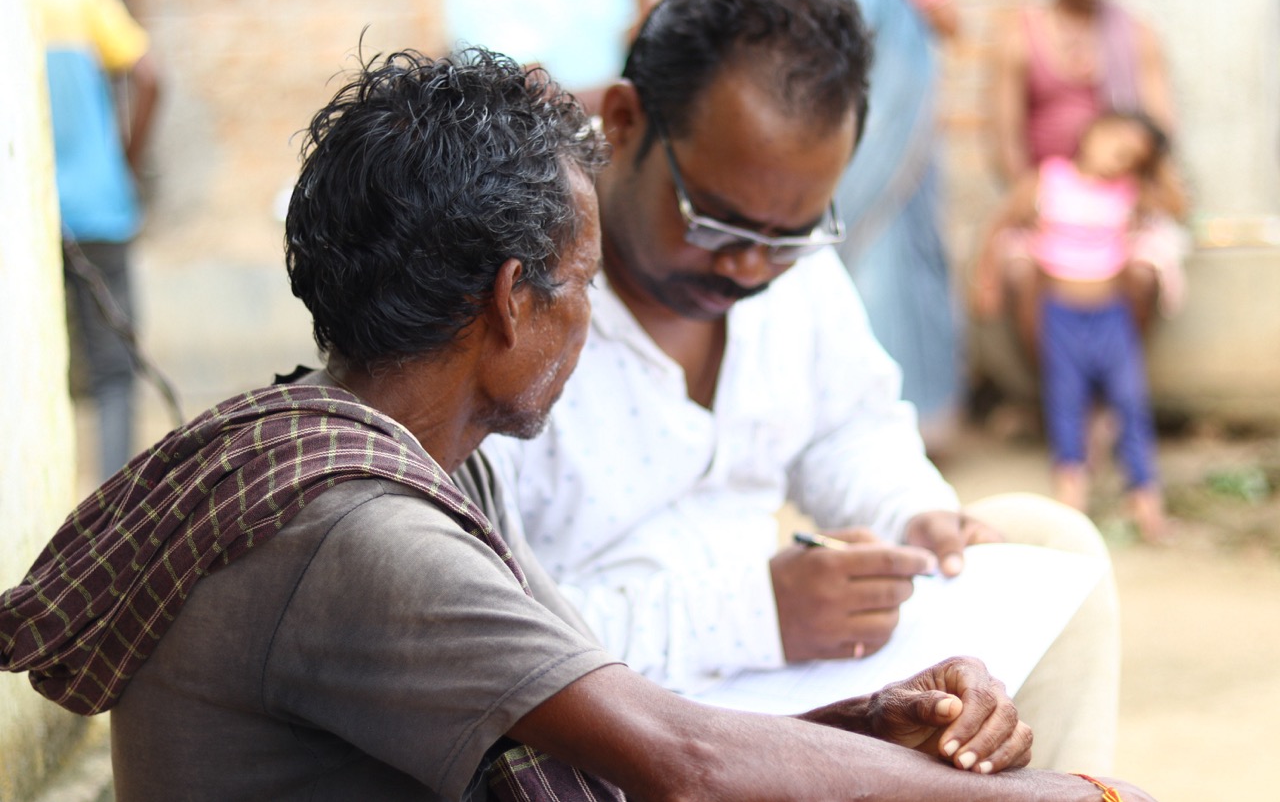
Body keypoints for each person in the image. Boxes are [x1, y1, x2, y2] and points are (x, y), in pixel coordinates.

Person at [0, 45, 1158, 802]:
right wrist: (1055, 795)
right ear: (513, 300)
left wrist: (870, 719)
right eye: (582, 280)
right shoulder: (359, 537)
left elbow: (619, 733)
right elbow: (683, 763)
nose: (596, 315)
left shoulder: (400, 458)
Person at [482, 0, 1122, 773]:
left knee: (1045, 542)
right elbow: (493, 635)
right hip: (626, 735)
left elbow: (851, 429)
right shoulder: (517, 320)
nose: (751, 265)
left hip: (798, 676)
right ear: (623, 121)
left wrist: (914, 516)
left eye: (790, 234)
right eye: (714, 222)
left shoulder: (791, 265)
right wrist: (757, 612)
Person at [975, 111, 1180, 542]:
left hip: (1112, 318)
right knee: (1065, 403)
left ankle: (1146, 503)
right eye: (1116, 147)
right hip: (1061, 316)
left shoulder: (1129, 192)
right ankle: (1073, 509)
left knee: (1130, 403)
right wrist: (988, 282)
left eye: (1132, 159)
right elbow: (1001, 225)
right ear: (1091, 134)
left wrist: (1157, 164)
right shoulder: (1048, 181)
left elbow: (1177, 207)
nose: (1118, 162)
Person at [985, 0, 1188, 361]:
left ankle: (1114, 390)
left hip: (1122, 201)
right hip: (1049, 201)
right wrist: (1042, 200)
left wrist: (1139, 199)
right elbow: (1006, 141)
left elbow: (1160, 132)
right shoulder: (1021, 36)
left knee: (1143, 270)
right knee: (1024, 272)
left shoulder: (1134, 35)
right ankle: (1060, 394)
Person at [806, 0, 963, 454]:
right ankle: (854, 433)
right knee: (862, 282)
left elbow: (949, 25)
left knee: (913, 275)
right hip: (848, 155)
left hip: (905, 164)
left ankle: (925, 418)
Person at [34, 0, 161, 481]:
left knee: (39, 372)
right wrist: (124, 165)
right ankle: (111, 515)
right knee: (113, 371)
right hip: (96, 207)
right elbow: (150, 76)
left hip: (31, 221)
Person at [444, 0, 645, 113]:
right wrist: (642, 95)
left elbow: (642, 37)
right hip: (557, 151)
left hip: (617, 126)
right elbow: (532, 102)